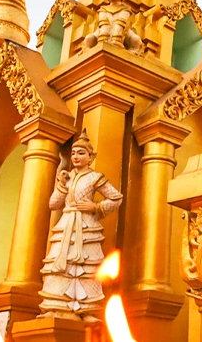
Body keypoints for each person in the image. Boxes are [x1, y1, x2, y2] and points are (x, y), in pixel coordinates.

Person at [38, 129, 124, 322]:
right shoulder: (67, 178)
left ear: (91, 157)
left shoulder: (95, 177)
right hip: (67, 223)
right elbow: (53, 204)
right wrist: (61, 184)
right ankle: (55, 305)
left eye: (81, 153)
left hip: (86, 227)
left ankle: (87, 310)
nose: (76, 156)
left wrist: (96, 206)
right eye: (74, 153)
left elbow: (116, 198)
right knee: (60, 266)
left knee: (86, 266)